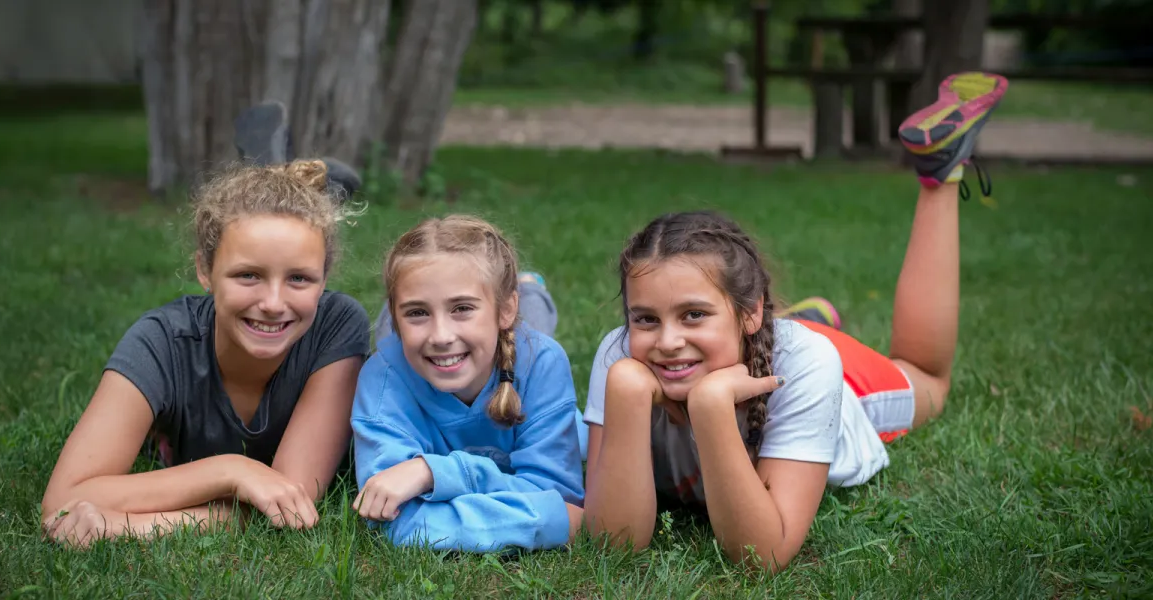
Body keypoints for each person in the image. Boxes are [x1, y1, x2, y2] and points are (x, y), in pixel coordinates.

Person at [582, 72, 1008, 572]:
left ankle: (940, 172)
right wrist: (629, 395)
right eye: (646, 319)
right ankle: (796, 316)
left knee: (927, 379)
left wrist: (713, 406)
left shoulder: (807, 364)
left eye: (693, 314)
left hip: (833, 377)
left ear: (750, 312)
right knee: (694, 345)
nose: (668, 341)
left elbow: (764, 556)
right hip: (750, 342)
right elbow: (613, 546)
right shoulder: (622, 358)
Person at [39, 155, 371, 547]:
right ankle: (280, 159)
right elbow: (63, 499)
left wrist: (120, 526)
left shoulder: (336, 324)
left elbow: (289, 501)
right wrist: (230, 470)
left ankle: (289, 163)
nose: (273, 302)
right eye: (248, 275)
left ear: (325, 279)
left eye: (299, 278)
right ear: (204, 270)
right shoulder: (161, 341)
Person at [351, 216, 585, 552]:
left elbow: (559, 499)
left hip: (516, 346)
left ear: (505, 308)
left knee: (531, 337)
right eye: (417, 312)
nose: (441, 335)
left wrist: (431, 473)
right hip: (437, 350)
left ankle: (530, 291)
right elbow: (390, 518)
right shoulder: (383, 377)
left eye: (462, 308)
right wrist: (537, 517)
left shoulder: (543, 364)